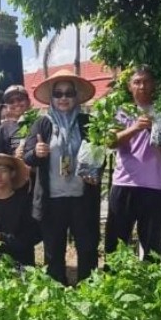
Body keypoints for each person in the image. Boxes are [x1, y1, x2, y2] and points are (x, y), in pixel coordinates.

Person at [23, 70, 101, 285]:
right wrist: (37, 152)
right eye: (58, 94)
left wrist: (95, 170)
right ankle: (57, 292)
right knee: (53, 251)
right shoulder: (42, 124)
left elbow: (99, 153)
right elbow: (27, 157)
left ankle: (88, 290)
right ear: (52, 99)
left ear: (76, 97)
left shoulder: (87, 122)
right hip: (53, 200)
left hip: (81, 197)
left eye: (68, 93)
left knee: (87, 247)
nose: (63, 98)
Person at [104, 66, 161, 258]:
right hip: (124, 182)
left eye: (146, 81)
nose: (142, 86)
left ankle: (149, 285)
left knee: (152, 244)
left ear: (154, 85)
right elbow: (111, 142)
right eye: (137, 82)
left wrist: (155, 130)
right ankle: (113, 283)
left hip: (155, 185)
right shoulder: (120, 112)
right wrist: (135, 128)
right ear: (129, 86)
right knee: (116, 242)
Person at [0, 85, 32, 158]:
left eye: (20, 99)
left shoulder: (38, 122)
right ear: (7, 106)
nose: (16, 103)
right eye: (11, 102)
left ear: (28, 102)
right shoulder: (2, 130)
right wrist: (14, 156)